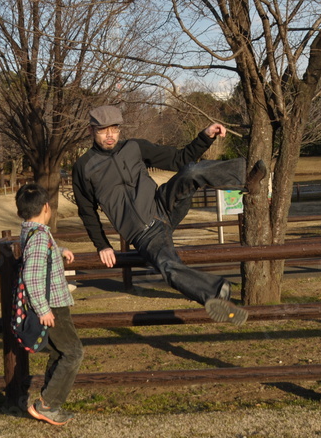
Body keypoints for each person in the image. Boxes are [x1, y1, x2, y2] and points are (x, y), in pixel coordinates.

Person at [72, 105, 267, 325]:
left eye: (114, 129)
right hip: (143, 233)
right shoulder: (84, 167)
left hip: (163, 204)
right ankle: (216, 294)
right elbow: (86, 210)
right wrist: (102, 245)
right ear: (91, 131)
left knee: (191, 172)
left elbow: (179, 159)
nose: (110, 135)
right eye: (103, 130)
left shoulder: (134, 147)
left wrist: (205, 136)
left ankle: (246, 179)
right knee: (168, 266)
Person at [16, 182, 83, 427]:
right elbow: (32, 277)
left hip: (52, 305)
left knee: (59, 353)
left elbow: (38, 256)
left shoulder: (32, 232)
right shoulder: (39, 236)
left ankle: (49, 405)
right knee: (74, 353)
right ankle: (47, 405)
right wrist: (43, 310)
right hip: (52, 306)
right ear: (47, 207)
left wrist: (59, 250)